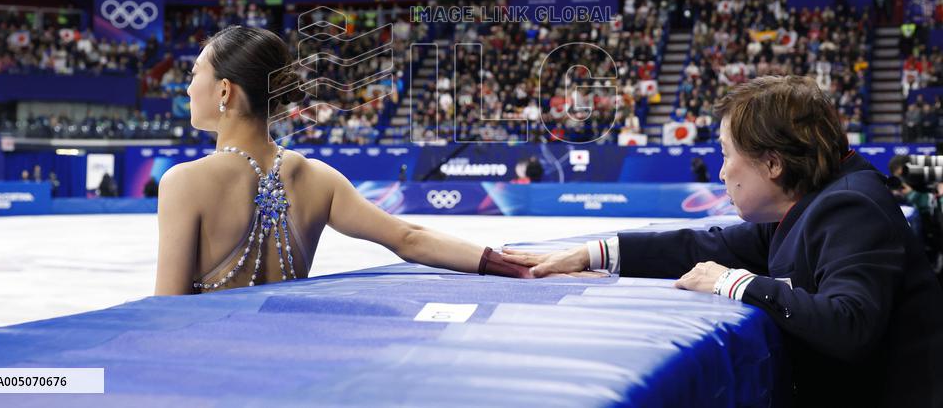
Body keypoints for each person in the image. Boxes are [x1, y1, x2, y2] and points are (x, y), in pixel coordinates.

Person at [503, 76, 943, 408]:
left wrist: (735, 282)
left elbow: (850, 324)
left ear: (772, 163)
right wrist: (594, 252)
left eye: (727, 154)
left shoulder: (850, 206)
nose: (720, 172)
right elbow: (706, 247)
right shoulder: (809, 200)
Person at [154, 25, 528, 296]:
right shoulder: (317, 178)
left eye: (194, 74)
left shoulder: (184, 182)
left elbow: (166, 311)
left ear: (224, 89)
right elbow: (409, 238)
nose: (187, 87)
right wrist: (515, 266)